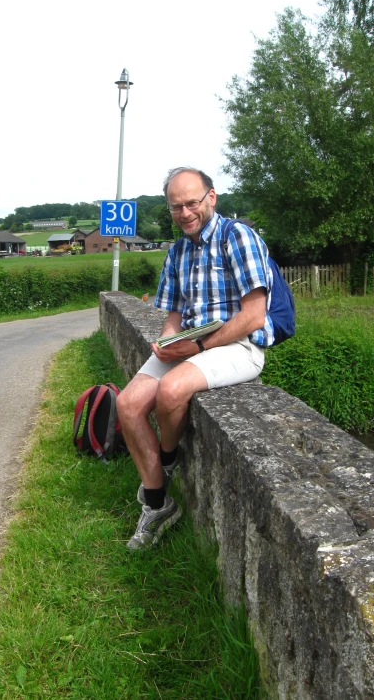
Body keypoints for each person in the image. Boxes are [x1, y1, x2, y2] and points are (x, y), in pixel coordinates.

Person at [116, 167, 274, 550]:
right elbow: (172, 316)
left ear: (211, 198)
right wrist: (168, 342)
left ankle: (166, 461)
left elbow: (254, 316)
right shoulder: (177, 251)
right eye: (176, 207)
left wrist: (199, 348)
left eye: (192, 203)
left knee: (171, 391)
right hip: (192, 343)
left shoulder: (237, 237)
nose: (185, 213)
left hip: (239, 346)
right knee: (128, 404)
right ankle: (158, 504)